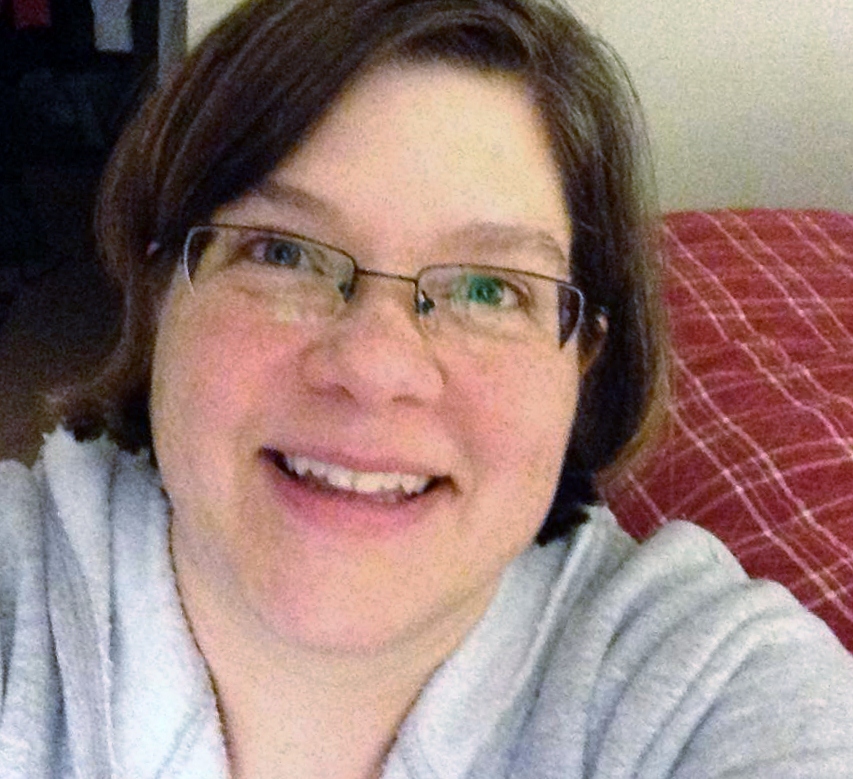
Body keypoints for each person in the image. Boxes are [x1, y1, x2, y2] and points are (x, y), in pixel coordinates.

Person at [1, 1, 852, 777]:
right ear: (159, 294)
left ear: (583, 363)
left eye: (488, 289)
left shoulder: (720, 692)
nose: (375, 367)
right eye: (282, 253)